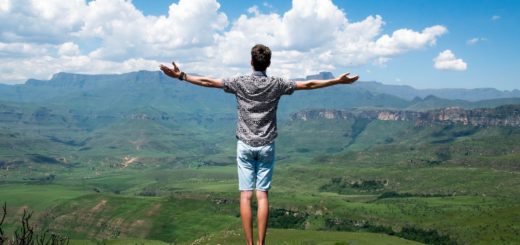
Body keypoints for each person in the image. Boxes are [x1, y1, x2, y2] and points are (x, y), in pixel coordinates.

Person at [160, 44, 359, 245]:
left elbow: (208, 82)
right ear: (269, 63)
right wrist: (337, 81)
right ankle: (260, 244)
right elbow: (308, 85)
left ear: (251, 61)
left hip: (245, 145)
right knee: (262, 196)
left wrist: (181, 76)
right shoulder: (277, 84)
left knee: (245, 196)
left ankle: (249, 243)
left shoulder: (239, 82)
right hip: (266, 145)